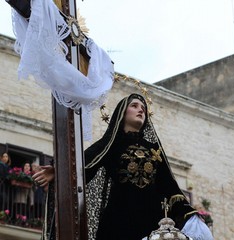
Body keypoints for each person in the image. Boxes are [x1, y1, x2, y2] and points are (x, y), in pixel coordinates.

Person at [33, 93, 214, 240]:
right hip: (119, 219)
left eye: (143, 108)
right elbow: (85, 164)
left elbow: (169, 186)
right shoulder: (111, 144)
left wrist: (189, 214)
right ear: (122, 113)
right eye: (134, 106)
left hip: (151, 219)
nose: (140, 110)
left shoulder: (154, 150)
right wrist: (58, 171)